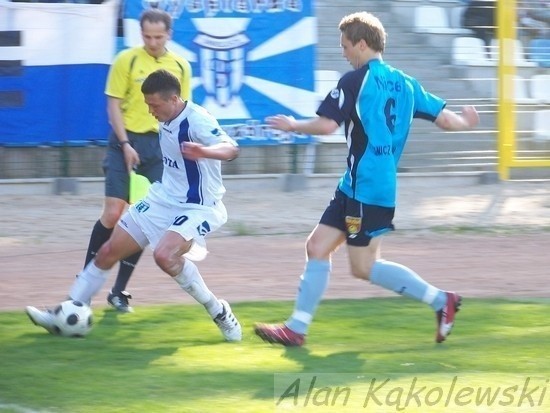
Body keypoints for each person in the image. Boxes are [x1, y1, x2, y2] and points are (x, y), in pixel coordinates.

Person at [254, 11, 480, 347]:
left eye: (345, 46)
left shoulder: (354, 81)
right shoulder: (406, 83)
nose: (344, 52)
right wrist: (466, 122)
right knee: (317, 246)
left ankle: (440, 301)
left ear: (362, 44)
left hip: (368, 187)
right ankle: (296, 329)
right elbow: (445, 120)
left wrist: (293, 125)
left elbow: (327, 125)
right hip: (357, 184)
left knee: (363, 267)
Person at [26, 69, 242, 342]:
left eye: (154, 105)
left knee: (164, 256)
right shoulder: (166, 116)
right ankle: (65, 312)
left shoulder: (198, 120)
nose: (151, 111)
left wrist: (205, 151)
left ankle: (218, 310)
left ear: (174, 99)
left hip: (200, 206)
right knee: (107, 252)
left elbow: (232, 149)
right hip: (162, 199)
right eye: (148, 105)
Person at [86, 8, 192, 312]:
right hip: (125, 141)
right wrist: (124, 143)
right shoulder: (127, 60)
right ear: (140, 33)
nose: (153, 41)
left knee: (146, 217)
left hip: (158, 148)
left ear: (169, 34)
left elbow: (181, 111)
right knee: (113, 212)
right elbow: (113, 105)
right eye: (147, 36)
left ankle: (118, 292)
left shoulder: (181, 66)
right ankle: (86, 277)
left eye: (158, 36)